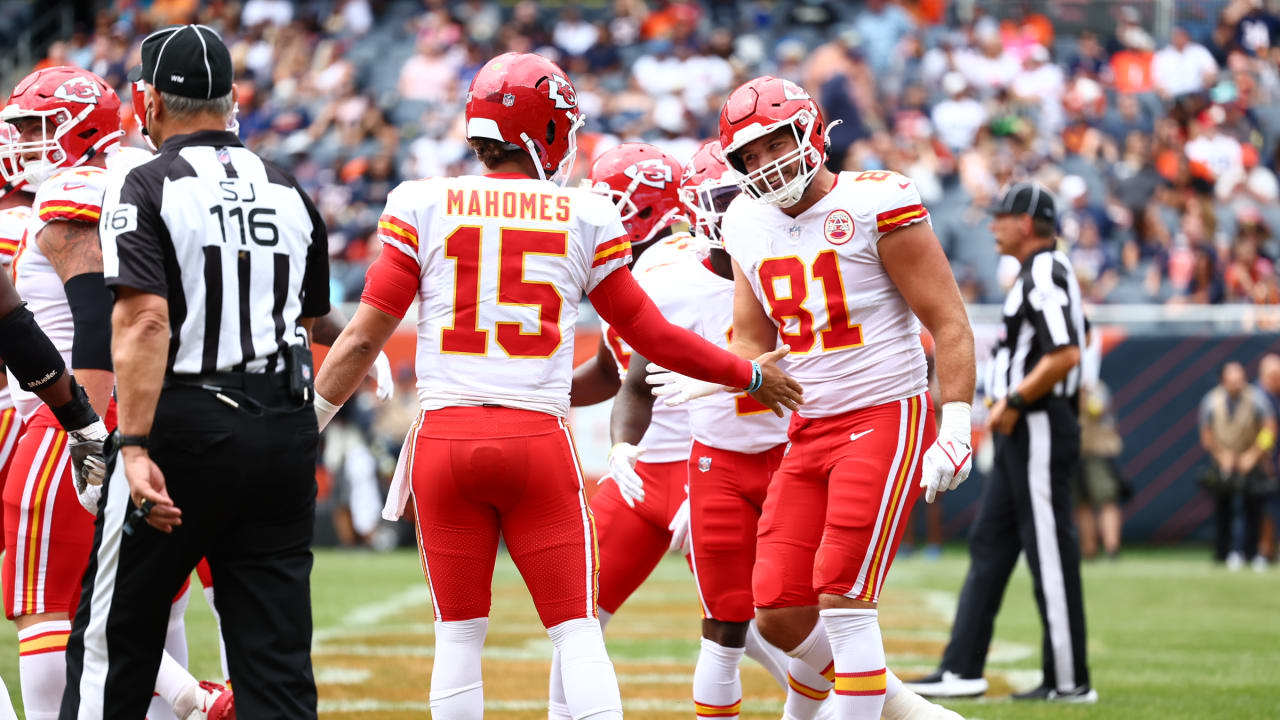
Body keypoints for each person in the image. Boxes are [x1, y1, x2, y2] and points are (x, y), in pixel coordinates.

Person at [311, 52, 800, 720]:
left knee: (457, 636)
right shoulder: (585, 214)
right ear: (548, 130)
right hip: (538, 438)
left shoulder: (419, 201)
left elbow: (362, 337)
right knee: (575, 631)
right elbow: (652, 337)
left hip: (444, 441)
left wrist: (304, 424)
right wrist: (746, 373)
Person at [653, 76, 975, 719]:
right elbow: (751, 337)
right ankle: (917, 713)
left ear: (811, 132)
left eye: (774, 144)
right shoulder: (743, 221)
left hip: (883, 411)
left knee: (844, 601)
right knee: (775, 608)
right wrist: (716, 375)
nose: (765, 164)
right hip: (809, 425)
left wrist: (958, 421)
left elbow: (948, 319)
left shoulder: (875, 201)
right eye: (749, 156)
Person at [59, 25, 327, 718]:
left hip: (187, 426)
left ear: (146, 103)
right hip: (283, 428)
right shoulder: (289, 186)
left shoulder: (146, 183)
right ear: (232, 98)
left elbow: (145, 321)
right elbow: (315, 317)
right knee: (275, 659)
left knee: (112, 643)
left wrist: (138, 444)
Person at [0, 64, 235, 720]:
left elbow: (97, 320)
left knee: (50, 606)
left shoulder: (74, 188)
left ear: (86, 124)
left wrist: (87, 425)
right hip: (170, 411)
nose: (21, 142)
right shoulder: (160, 176)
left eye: (36, 126)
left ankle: (198, 701)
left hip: (77, 411)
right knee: (147, 604)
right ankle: (194, 698)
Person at [909, 181, 1094, 703]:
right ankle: (961, 667)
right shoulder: (1036, 273)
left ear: (1027, 223)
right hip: (1023, 425)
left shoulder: (1045, 271)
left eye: (1001, 217)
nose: (992, 225)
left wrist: (1012, 402)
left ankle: (1068, 679)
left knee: (1050, 552)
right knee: (990, 545)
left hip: (1036, 421)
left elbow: (1065, 353)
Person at [1198, 361, 1275, 572]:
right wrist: (1222, 456)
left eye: (1240, 378)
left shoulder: (1257, 399)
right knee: (1223, 508)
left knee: (1255, 509)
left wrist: (1253, 454)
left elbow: (1269, 430)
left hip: (1252, 460)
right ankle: (1223, 552)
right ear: (1223, 379)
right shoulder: (1211, 401)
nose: (1236, 383)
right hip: (1223, 461)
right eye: (1232, 378)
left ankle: (1252, 552)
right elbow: (1206, 435)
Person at [1074, 379, 1125, 560]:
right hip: (1073, 450)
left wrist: (1082, 392)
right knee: (1081, 503)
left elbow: (1096, 410)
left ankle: (1112, 549)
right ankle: (1089, 549)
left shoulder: (1096, 387)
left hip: (1098, 452)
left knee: (1106, 498)